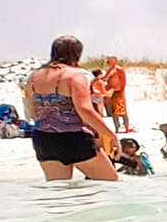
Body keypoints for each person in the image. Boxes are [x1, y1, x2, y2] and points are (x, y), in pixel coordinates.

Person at [22, 36, 120, 181]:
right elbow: (85, 110)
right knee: (110, 184)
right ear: (77, 54)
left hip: (43, 138)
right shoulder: (74, 76)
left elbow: (33, 113)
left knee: (59, 193)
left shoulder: (34, 77)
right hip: (73, 138)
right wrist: (110, 135)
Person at [91, 55, 133, 132]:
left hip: (118, 91)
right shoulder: (110, 70)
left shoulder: (118, 69)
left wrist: (120, 90)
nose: (108, 62)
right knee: (113, 111)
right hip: (111, 91)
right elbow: (105, 79)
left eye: (109, 60)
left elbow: (123, 81)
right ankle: (117, 128)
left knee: (122, 110)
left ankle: (126, 127)